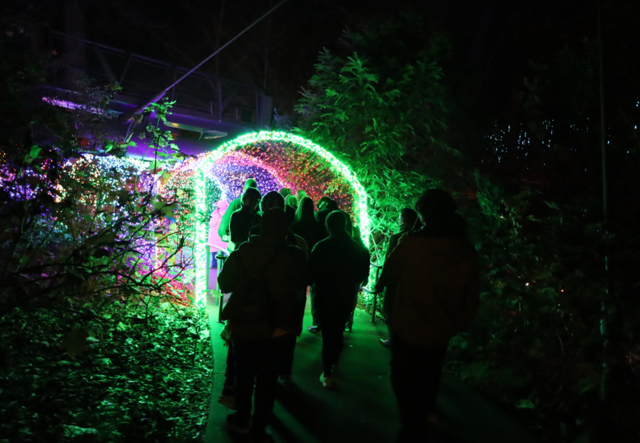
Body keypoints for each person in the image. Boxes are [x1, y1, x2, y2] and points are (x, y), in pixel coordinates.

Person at [380, 189, 479, 442]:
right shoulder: (464, 250)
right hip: (441, 326)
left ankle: (411, 424)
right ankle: (425, 416)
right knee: (430, 373)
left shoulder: (411, 244)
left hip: (407, 323)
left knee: (403, 375)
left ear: (423, 215)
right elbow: (471, 291)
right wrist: (463, 320)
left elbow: (390, 270)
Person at [218, 208, 307, 443]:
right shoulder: (295, 255)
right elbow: (303, 286)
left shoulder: (244, 251)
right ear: (286, 227)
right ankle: (259, 427)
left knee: (244, 376)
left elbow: (224, 284)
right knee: (268, 381)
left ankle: (242, 419)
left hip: (247, 326)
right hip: (279, 330)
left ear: (260, 225)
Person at [309, 211, 370, 388]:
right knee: (338, 330)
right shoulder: (356, 248)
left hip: (324, 295)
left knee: (328, 333)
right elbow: (361, 274)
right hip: (344, 295)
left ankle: (327, 372)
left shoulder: (321, 246)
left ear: (328, 225)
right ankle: (334, 362)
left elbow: (310, 273)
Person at [377, 208, 419, 347]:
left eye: (400, 217)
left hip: (395, 282)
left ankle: (392, 340)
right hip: (413, 283)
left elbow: (389, 263)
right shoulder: (419, 238)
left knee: (391, 311)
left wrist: (380, 284)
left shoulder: (397, 237)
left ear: (404, 219)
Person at [219, 178, 258, 242]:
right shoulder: (259, 204)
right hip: (254, 243)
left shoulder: (235, 203)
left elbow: (225, 223)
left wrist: (224, 236)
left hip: (237, 243)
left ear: (244, 188)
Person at [229, 187, 262, 251]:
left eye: (256, 201)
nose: (254, 203)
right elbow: (234, 238)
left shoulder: (257, 216)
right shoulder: (237, 215)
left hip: (254, 251)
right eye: (252, 200)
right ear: (246, 199)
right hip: (241, 250)